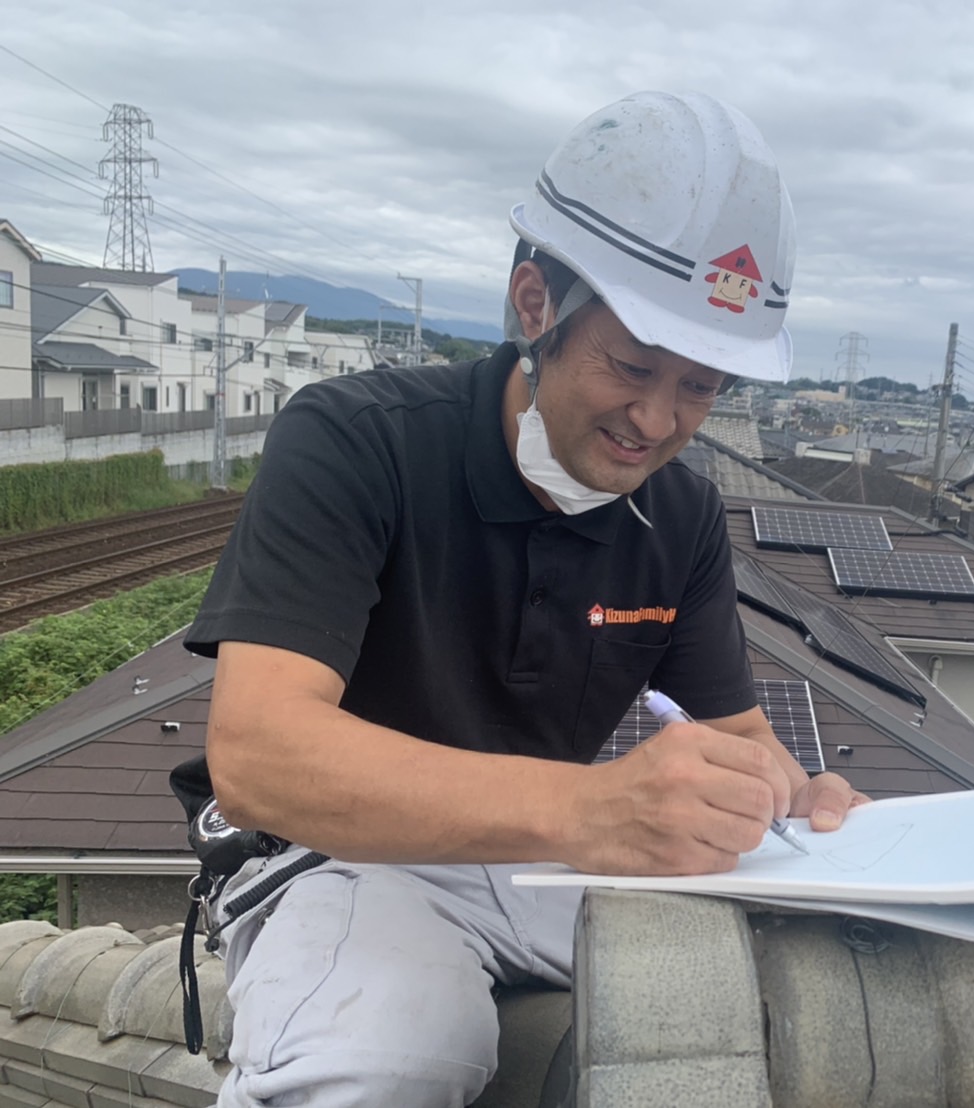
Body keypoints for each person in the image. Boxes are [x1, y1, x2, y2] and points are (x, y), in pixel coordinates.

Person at [179, 90, 866, 1106]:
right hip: (337, 854)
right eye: (632, 365)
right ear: (535, 304)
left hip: (543, 858)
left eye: (702, 386)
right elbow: (260, 756)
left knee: (794, 1005)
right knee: (386, 1060)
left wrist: (803, 802)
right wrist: (592, 806)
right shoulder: (358, 442)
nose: (657, 420)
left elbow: (736, 736)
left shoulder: (678, 515)